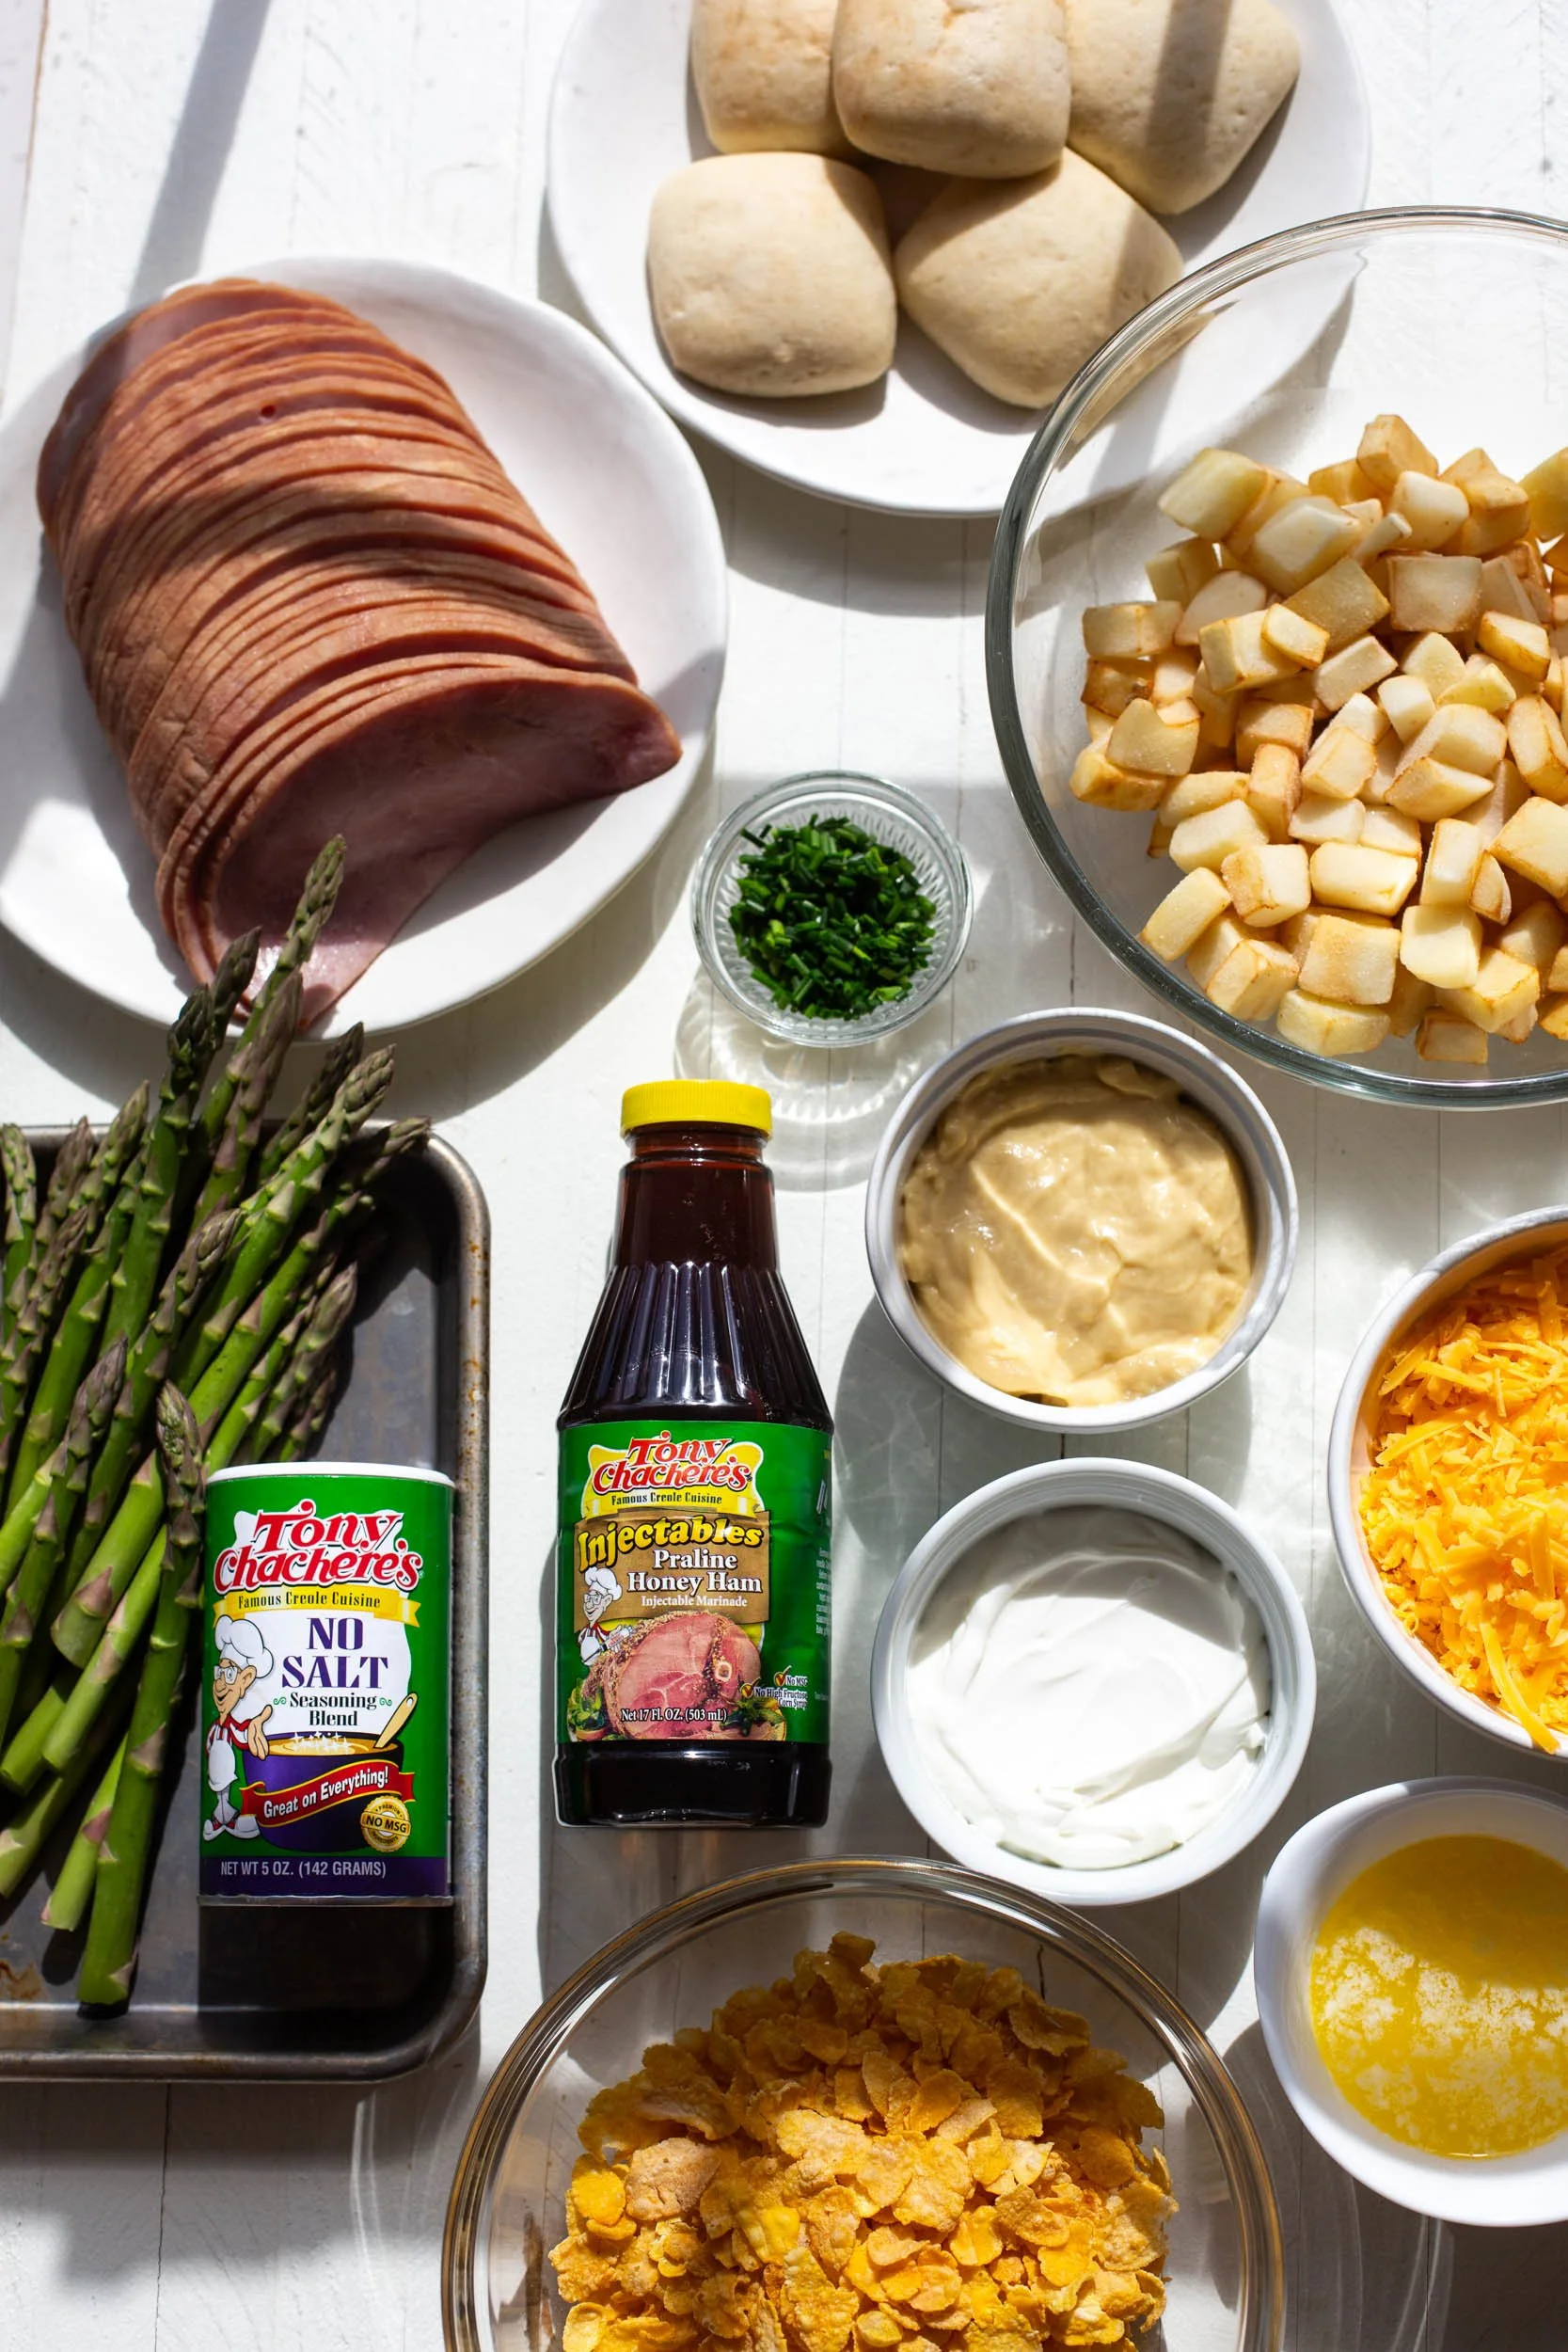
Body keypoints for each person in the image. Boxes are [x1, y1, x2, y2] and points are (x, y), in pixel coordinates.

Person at [204, 1613, 274, 1842]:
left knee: (232, 1777)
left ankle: (231, 1818)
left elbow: (243, 1738)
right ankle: (219, 1818)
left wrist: (255, 1725)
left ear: (246, 1679)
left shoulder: (234, 1725)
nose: (221, 1683)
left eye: (230, 1674)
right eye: (219, 1674)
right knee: (218, 1783)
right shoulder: (216, 1727)